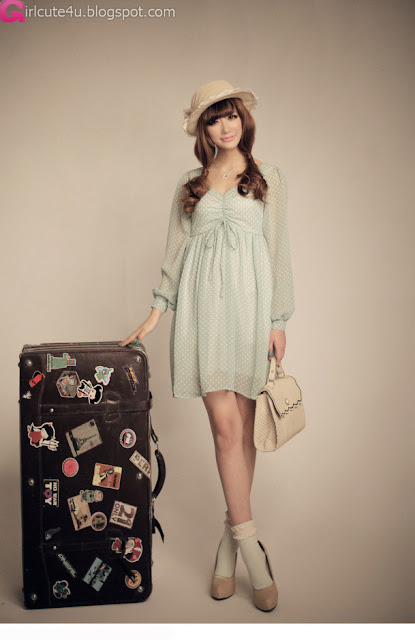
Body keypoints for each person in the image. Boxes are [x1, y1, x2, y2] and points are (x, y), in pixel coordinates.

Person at [120, 80, 295, 612]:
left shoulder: (268, 178)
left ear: (244, 119)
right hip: (201, 316)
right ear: (203, 129)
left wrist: (278, 319)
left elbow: (279, 251)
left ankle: (228, 540)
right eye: (214, 118)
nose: (225, 126)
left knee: (245, 429)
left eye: (231, 115)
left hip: (251, 314)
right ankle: (252, 550)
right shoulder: (189, 184)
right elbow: (174, 254)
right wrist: (156, 313)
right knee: (224, 429)